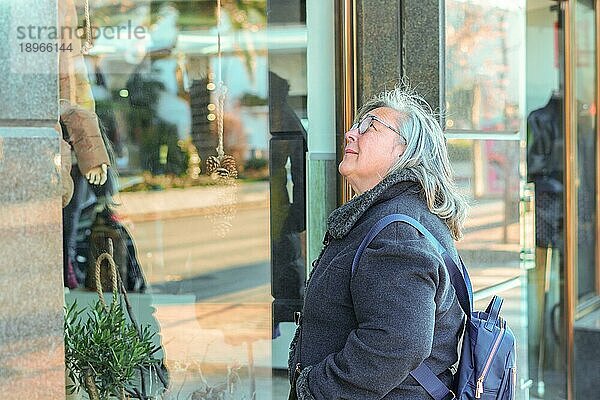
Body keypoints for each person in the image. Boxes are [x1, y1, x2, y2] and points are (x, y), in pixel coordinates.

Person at [288, 87, 469, 399]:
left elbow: (398, 343)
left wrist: (316, 389)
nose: (350, 134)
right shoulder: (396, 214)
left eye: (369, 127)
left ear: (403, 150)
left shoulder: (397, 231)